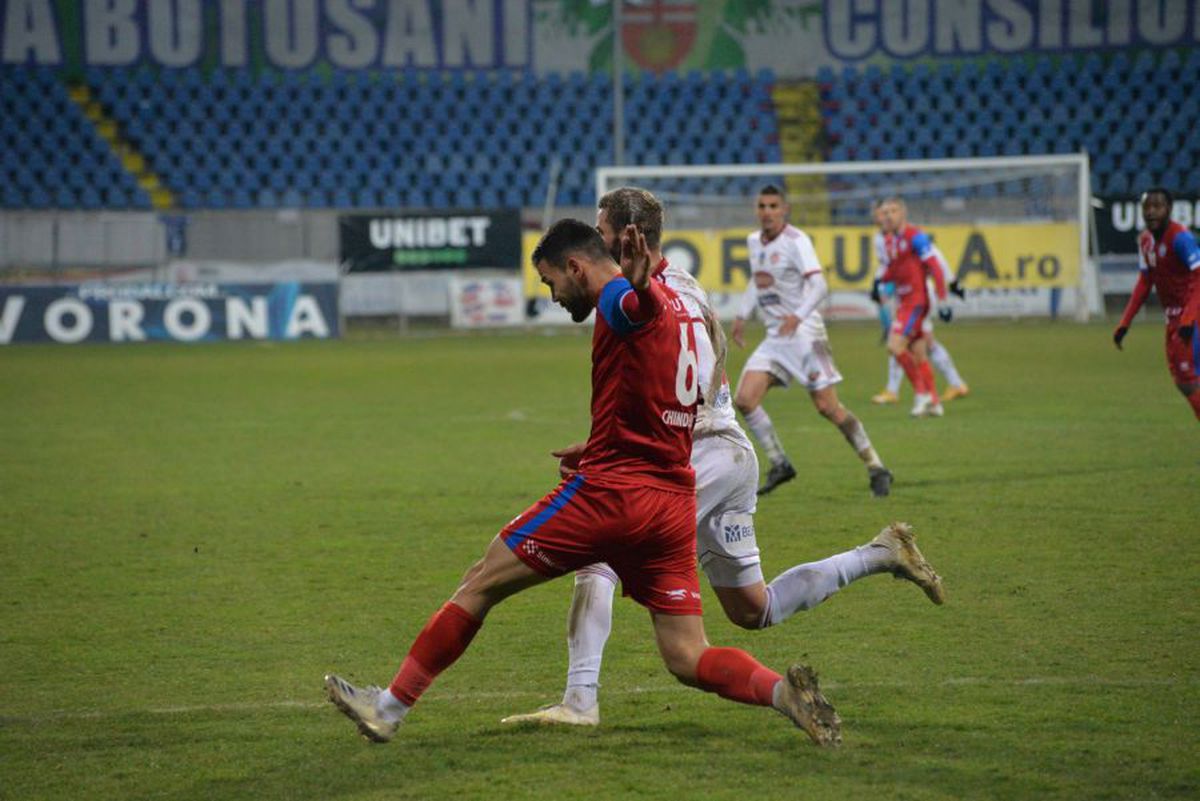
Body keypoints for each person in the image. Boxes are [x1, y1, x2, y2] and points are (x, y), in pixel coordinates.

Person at [324, 219, 843, 747]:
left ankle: (388, 708)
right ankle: (784, 694)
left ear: (576, 266)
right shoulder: (684, 302)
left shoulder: (623, 295)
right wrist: (600, 441)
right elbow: (656, 391)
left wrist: (637, 291)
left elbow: (631, 312)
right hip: (670, 500)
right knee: (687, 655)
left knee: (481, 581)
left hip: (613, 494)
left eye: (551, 282)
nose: (552, 296)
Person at [501, 187, 945, 729]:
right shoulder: (682, 288)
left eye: (603, 229)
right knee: (751, 609)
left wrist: (617, 451)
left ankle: (579, 701)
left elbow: (679, 397)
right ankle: (880, 554)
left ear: (627, 234)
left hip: (696, 455)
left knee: (601, 553)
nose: (597, 238)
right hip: (726, 453)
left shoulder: (650, 297)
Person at [731, 185, 893, 497]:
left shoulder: (796, 241)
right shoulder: (754, 241)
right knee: (745, 400)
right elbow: (757, 279)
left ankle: (876, 466)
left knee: (828, 408)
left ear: (784, 209)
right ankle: (780, 463)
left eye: (773, 206)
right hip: (776, 337)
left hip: (806, 334)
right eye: (762, 206)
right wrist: (741, 315)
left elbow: (818, 285)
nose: (766, 212)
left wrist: (799, 315)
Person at [1113, 187, 1200, 421]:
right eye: (1147, 207)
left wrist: (1190, 317)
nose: (1151, 212)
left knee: (1189, 381)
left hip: (1191, 319)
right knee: (1185, 382)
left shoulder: (1181, 238)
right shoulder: (1145, 241)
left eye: (1157, 206)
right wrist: (1125, 323)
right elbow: (1145, 281)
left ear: (1169, 209)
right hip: (1174, 320)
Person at [869, 202, 969, 405]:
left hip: (919, 295)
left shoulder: (911, 235)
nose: (884, 218)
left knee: (900, 342)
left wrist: (952, 284)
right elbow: (889, 266)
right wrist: (878, 282)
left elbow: (936, 260)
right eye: (881, 214)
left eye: (888, 213)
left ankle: (908, 391)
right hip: (903, 294)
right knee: (920, 345)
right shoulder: (883, 239)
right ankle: (944, 389)